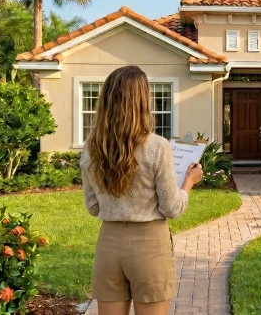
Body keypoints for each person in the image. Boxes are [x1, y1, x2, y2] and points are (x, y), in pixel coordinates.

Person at [81, 65, 203, 315]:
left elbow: (93, 206)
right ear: (142, 101)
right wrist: (189, 182)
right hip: (150, 244)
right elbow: (172, 207)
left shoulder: (92, 147)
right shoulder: (158, 147)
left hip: (108, 244)